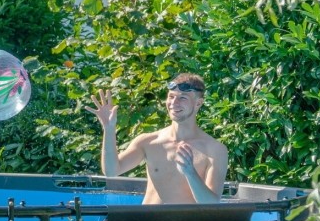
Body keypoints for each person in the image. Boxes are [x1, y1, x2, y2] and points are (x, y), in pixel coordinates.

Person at [85, 72, 228, 204]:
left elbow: (211, 203)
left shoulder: (215, 150)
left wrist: (190, 173)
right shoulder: (148, 142)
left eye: (182, 98)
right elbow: (111, 171)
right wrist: (109, 129)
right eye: (171, 96)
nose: (174, 103)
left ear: (198, 103)